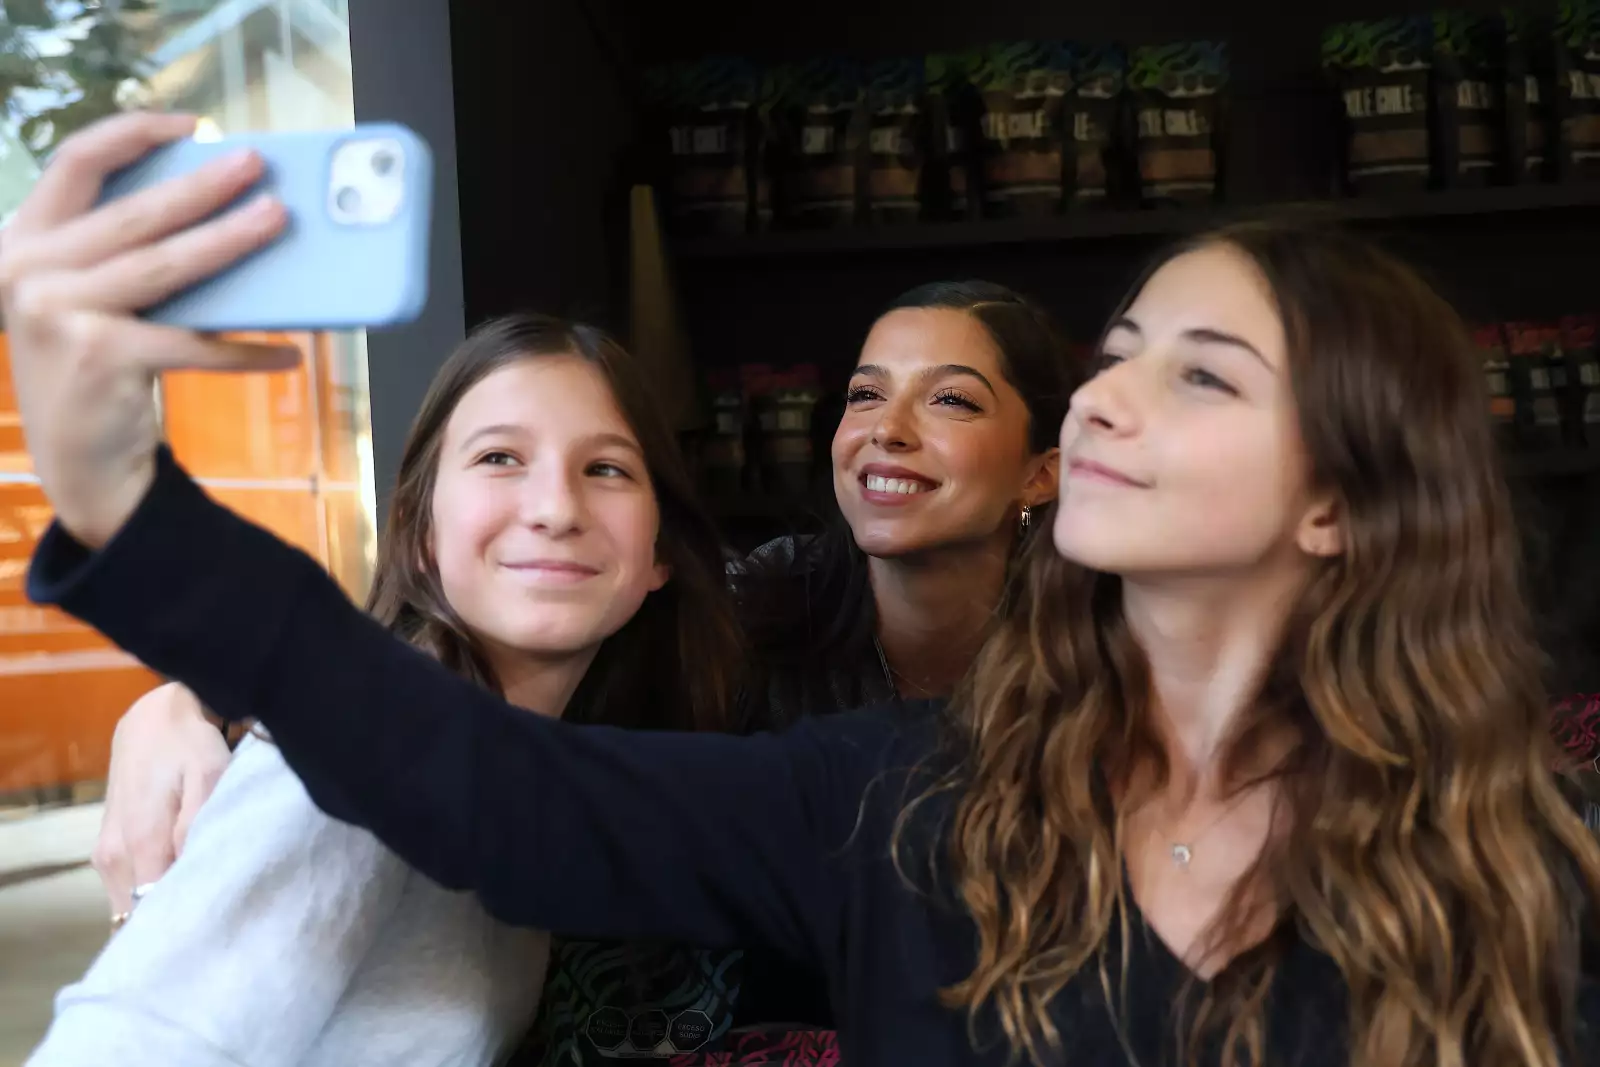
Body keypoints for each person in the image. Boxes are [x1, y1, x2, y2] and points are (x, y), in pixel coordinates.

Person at [10, 113, 1599, 1065]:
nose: (1109, 400)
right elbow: (492, 784)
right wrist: (133, 517)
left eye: (1202, 374)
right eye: (1113, 357)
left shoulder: (1521, 871)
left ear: (1341, 499)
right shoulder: (899, 799)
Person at [22, 309, 745, 1066]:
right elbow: (141, 1038)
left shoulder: (550, 764)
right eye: (500, 458)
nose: (557, 509)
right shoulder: (363, 746)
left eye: (606, 469)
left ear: (661, 550)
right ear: (420, 527)